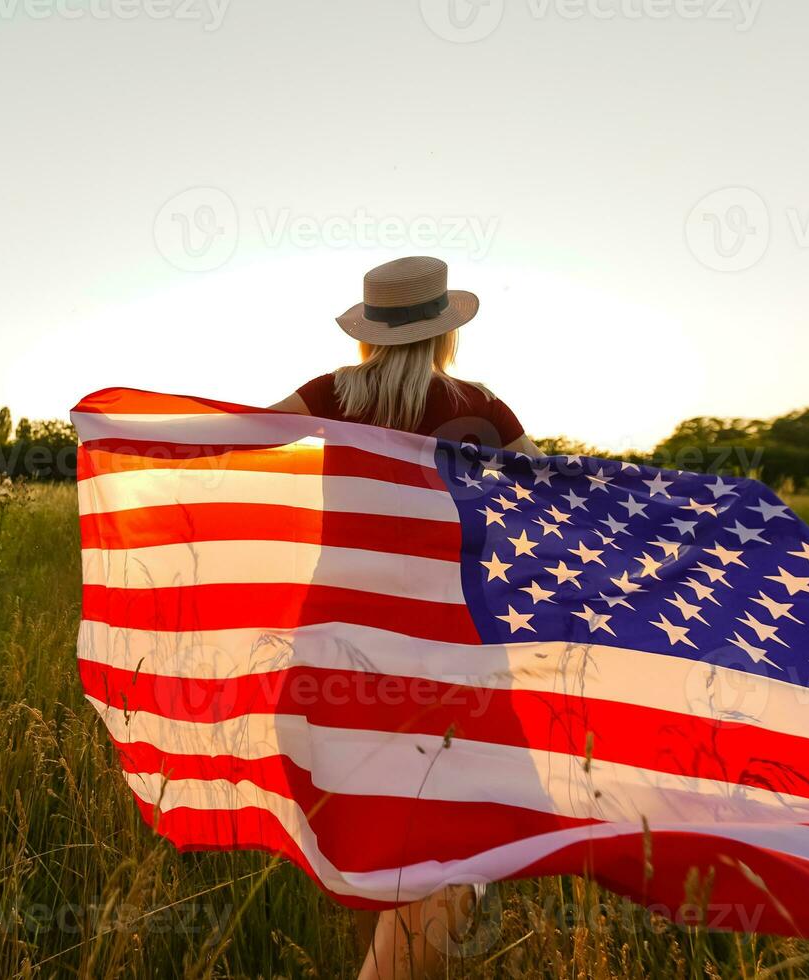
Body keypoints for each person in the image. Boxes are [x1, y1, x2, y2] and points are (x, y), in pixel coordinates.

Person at [270, 256, 540, 980]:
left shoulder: (332, 393)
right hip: (447, 636)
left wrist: (125, 429)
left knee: (388, 817)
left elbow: (240, 436)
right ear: (443, 333)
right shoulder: (479, 407)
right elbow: (548, 500)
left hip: (340, 635)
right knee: (445, 825)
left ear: (370, 334)